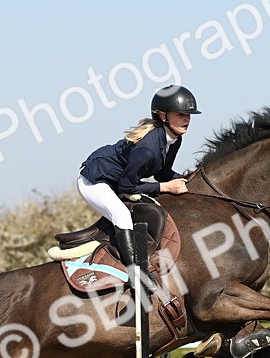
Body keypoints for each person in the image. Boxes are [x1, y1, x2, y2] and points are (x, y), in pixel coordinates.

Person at [77, 84, 200, 267]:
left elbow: (162, 173)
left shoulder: (175, 139)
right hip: (95, 181)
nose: (186, 119)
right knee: (122, 215)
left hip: (116, 181)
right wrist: (165, 187)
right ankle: (136, 272)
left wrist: (190, 179)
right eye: (180, 115)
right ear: (163, 116)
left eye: (188, 115)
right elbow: (126, 187)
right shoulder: (148, 148)